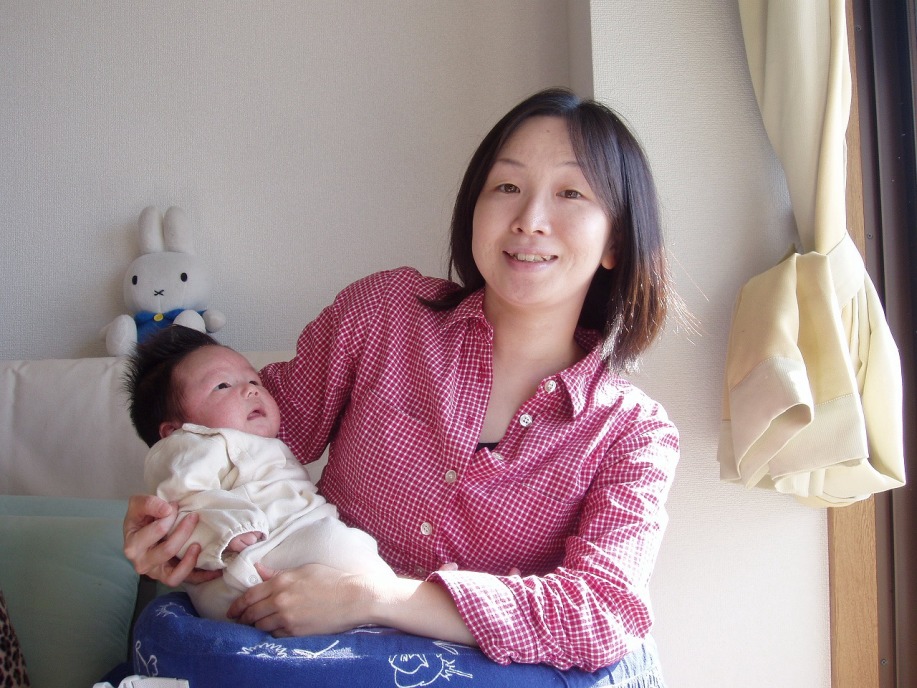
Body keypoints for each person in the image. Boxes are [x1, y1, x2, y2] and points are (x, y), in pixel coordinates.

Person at [123, 87, 679, 682]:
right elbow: (242, 429)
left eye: (570, 193)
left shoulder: (633, 434)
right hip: (311, 665)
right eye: (507, 186)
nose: (529, 220)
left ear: (615, 241)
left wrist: (375, 597)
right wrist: (172, 521)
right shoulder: (383, 314)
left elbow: (602, 611)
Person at [123, 324, 394, 622]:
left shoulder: (257, 443)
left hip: (281, 551)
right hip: (253, 557)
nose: (251, 389)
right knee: (342, 545)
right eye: (222, 386)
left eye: (254, 380)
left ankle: (390, 606)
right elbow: (185, 504)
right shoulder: (190, 445)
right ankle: (394, 605)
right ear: (175, 431)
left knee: (351, 547)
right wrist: (228, 531)